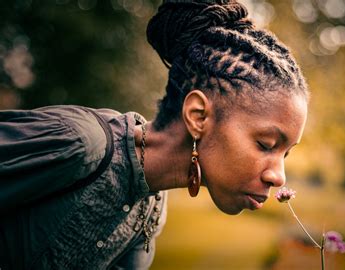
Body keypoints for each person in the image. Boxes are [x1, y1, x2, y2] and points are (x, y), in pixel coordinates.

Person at [0, 0, 309, 268]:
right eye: (265, 144)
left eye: (285, 153)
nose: (279, 177)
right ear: (198, 116)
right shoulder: (78, 143)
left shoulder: (150, 210)